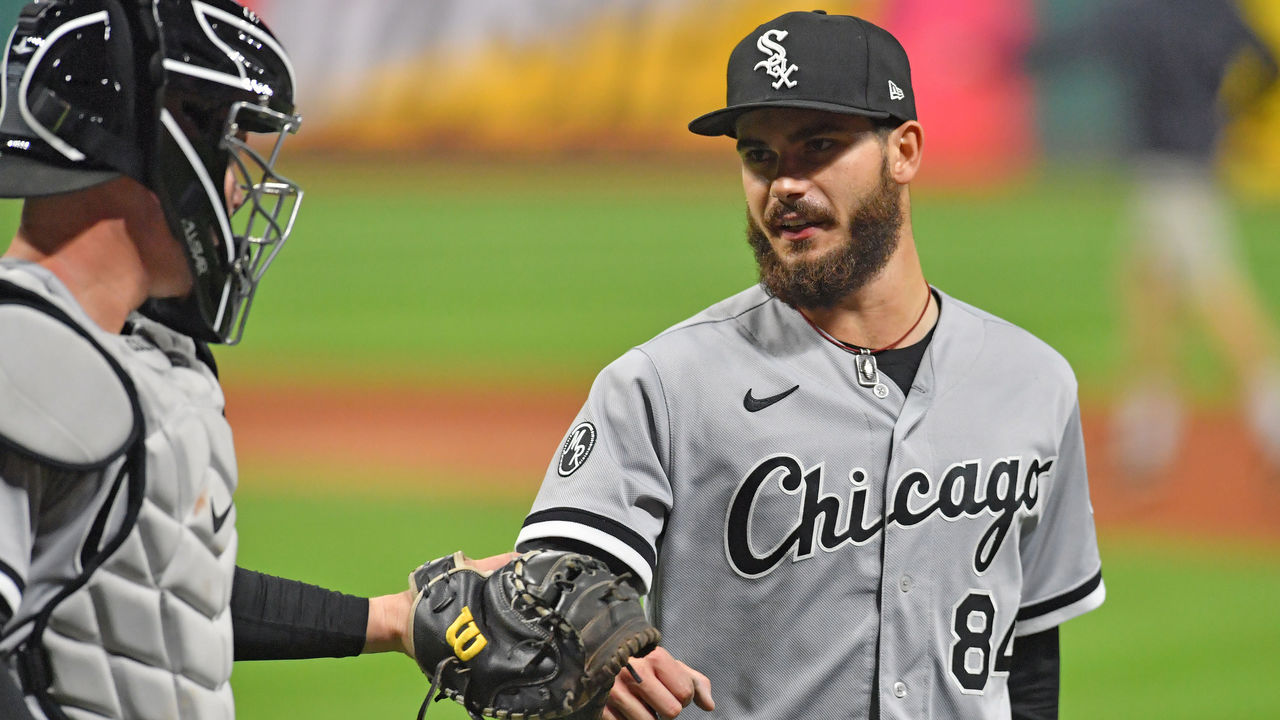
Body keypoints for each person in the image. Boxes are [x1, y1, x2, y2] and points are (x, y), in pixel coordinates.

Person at [516, 10, 1105, 720]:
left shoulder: (1033, 382)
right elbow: (554, 587)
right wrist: (581, 647)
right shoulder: (665, 385)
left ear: (906, 151)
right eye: (759, 155)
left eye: (818, 146)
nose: (785, 184)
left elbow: (1032, 655)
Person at [0, 2, 515, 718]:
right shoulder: (17, 358)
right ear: (157, 140)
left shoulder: (138, 355)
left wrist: (391, 619)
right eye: (223, 131)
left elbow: (164, 597)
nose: (238, 183)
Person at [1029, 0, 1280, 478]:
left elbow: (1077, 46)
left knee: (1213, 292)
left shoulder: (1142, 10)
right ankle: (1151, 427)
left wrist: (1009, 59)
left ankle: (1268, 413)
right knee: (1148, 290)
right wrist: (1235, 113)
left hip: (1166, 169)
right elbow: (1266, 61)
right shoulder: (1217, 10)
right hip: (1195, 158)